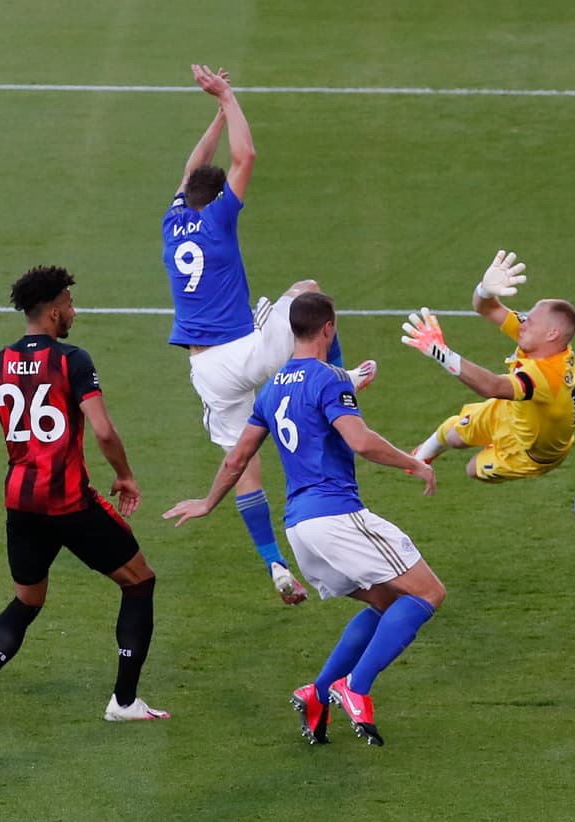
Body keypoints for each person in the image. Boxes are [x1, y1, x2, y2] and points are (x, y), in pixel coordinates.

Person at [164, 291, 443, 748]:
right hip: (335, 517)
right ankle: (356, 686)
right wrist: (413, 463)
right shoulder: (328, 378)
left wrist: (208, 503)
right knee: (429, 593)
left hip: (299, 532)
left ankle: (316, 694)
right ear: (328, 328)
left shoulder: (272, 388)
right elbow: (360, 441)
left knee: (386, 604)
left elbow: (237, 460)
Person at [162, 64, 376, 606]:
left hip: (207, 370)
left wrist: (214, 116)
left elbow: (194, 168)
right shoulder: (216, 221)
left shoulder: (173, 221)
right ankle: (339, 375)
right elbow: (245, 158)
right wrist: (228, 98)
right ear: (218, 202)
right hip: (249, 351)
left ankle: (276, 566)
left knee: (245, 463)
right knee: (309, 293)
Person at [0, 266, 168, 725]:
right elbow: (102, 429)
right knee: (139, 581)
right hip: (70, 503)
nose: (74, 313)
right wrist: (125, 475)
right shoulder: (73, 361)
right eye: (71, 304)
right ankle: (123, 702)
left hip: (21, 506)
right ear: (55, 309)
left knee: (27, 600)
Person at [402, 249, 575, 482]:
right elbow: (487, 308)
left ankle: (493, 442)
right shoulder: (543, 341)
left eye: (531, 321)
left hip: (529, 454)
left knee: (473, 468)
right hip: (514, 411)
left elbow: (493, 387)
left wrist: (442, 354)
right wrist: (485, 290)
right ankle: (419, 457)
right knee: (455, 436)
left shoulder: (548, 377)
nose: (523, 323)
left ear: (552, 334)